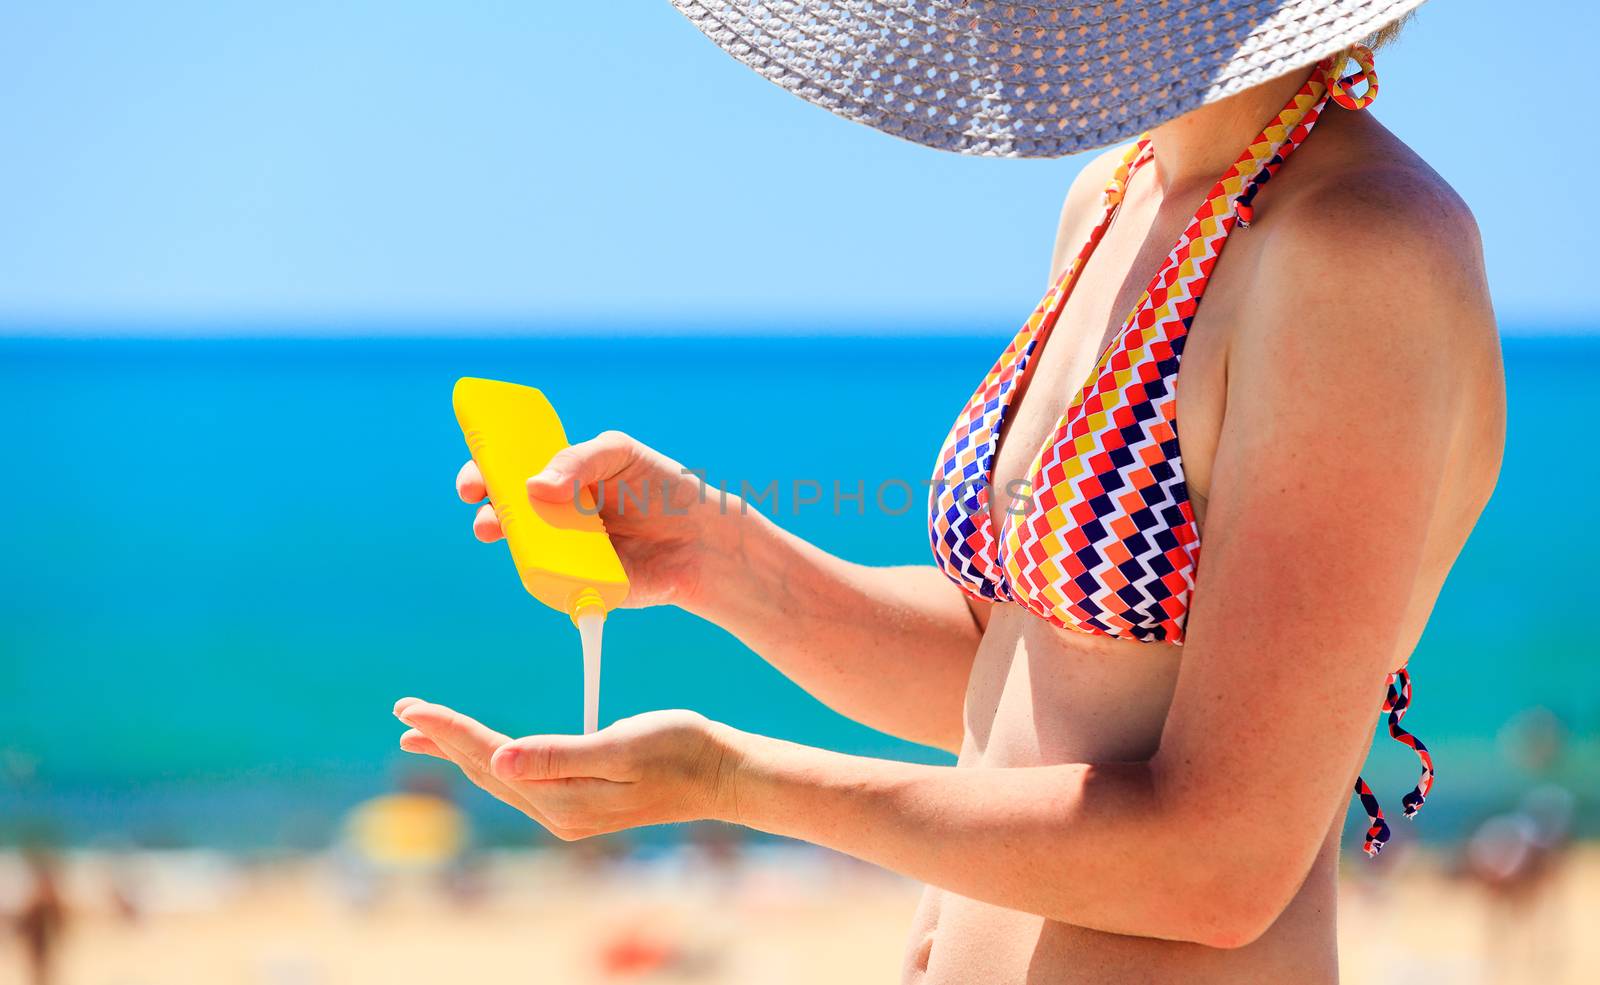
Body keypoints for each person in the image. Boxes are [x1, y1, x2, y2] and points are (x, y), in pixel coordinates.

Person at [394, 2, 1505, 981]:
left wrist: (731, 779)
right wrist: (715, 556)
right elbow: (1019, 677)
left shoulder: (1358, 248)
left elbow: (1222, 862)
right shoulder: (1120, 197)